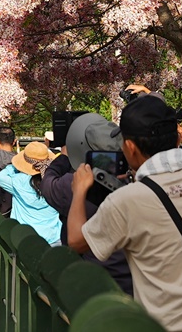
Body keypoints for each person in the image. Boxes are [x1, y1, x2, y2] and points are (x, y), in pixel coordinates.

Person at [69, 94, 182, 332]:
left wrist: (80, 190)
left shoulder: (126, 200)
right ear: (178, 137)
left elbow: (76, 241)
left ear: (129, 147)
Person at [40, 113, 132, 294]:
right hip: (130, 284)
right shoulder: (135, 181)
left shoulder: (72, 183)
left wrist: (64, 156)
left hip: (90, 284)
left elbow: (47, 183)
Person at [0, 141, 62, 244]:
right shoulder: (56, 180)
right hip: (54, 237)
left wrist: (15, 166)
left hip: (25, 238)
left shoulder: (18, 181)